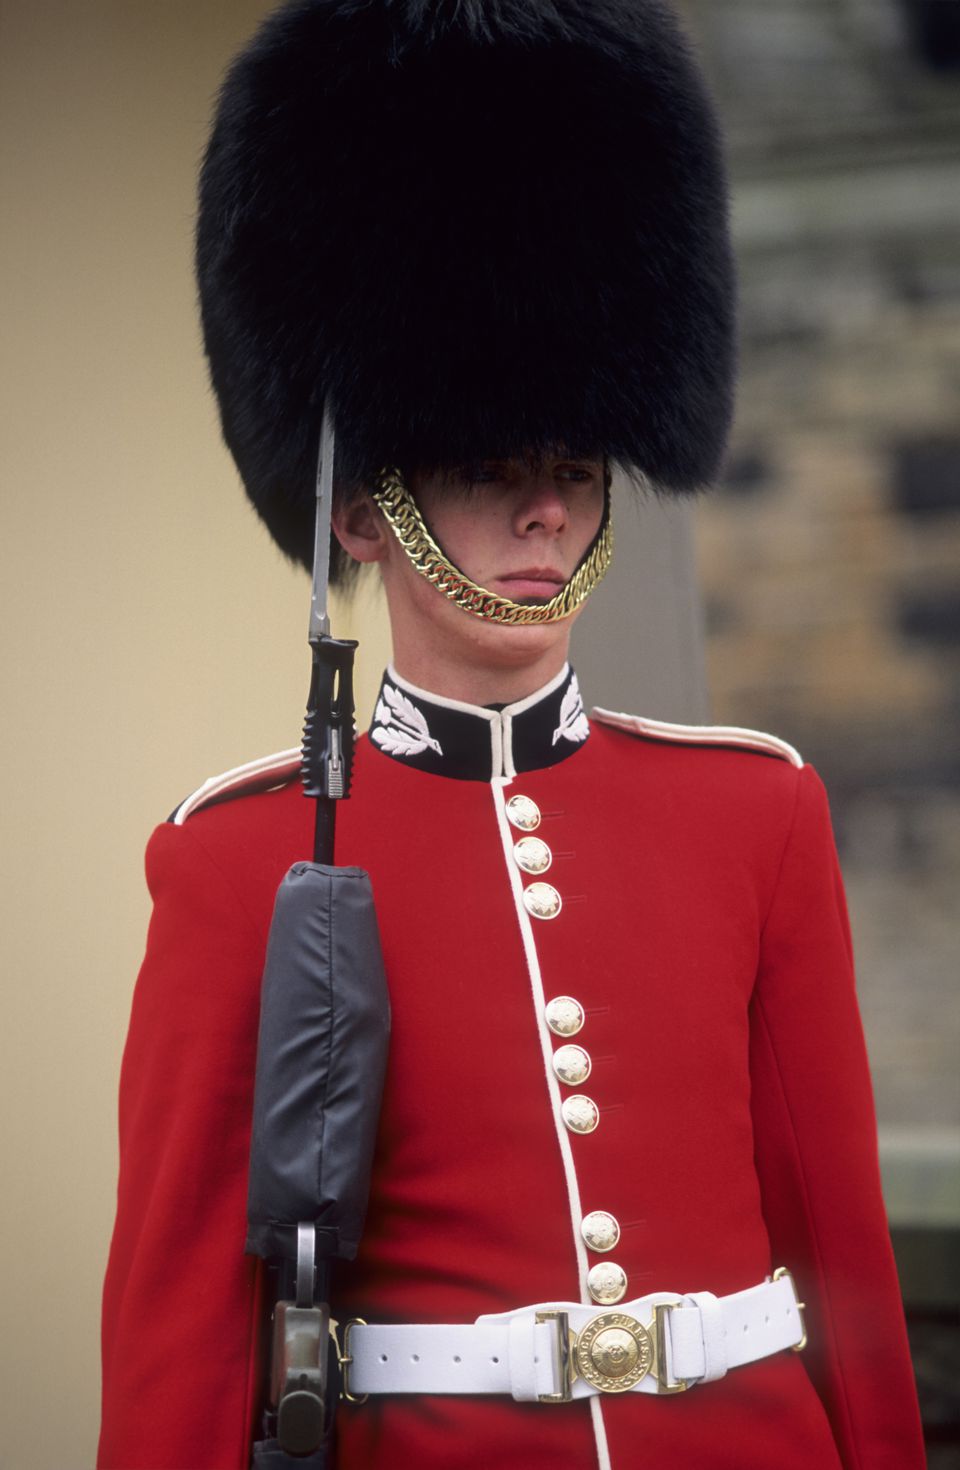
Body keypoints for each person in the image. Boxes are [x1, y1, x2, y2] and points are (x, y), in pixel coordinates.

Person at [98, 2, 925, 1468]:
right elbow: (183, 1339)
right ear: (365, 508)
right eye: (491, 467)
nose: (547, 511)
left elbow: (842, 1262)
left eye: (572, 462)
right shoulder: (236, 862)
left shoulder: (757, 813)